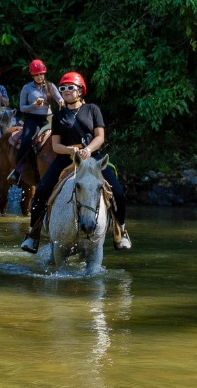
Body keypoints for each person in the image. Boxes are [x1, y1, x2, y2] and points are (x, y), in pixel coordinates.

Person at [19, 71, 131, 254]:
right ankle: (33, 234)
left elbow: (100, 137)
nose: (66, 91)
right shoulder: (58, 116)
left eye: (70, 88)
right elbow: (55, 145)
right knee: (41, 191)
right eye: (62, 88)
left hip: (93, 158)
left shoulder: (93, 110)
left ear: (80, 90)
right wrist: (71, 150)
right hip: (66, 159)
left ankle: (121, 230)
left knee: (117, 190)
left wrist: (88, 150)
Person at [7, 58, 61, 183]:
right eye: (36, 75)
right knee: (26, 141)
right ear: (32, 75)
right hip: (33, 119)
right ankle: (18, 170)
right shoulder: (27, 88)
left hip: (48, 119)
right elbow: (22, 108)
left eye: (41, 74)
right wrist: (34, 106)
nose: (39, 77)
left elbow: (58, 98)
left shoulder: (50, 86)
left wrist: (61, 101)